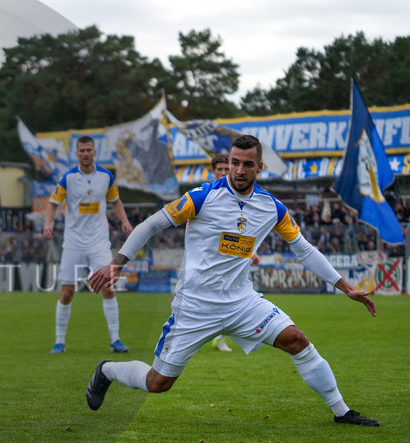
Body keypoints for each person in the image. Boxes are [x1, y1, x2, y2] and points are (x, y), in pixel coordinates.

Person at [85, 135, 380, 427]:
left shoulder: (272, 208)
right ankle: (107, 370)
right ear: (228, 162)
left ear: (259, 167)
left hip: (242, 303)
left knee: (297, 340)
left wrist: (347, 288)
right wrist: (117, 263)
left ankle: (342, 412)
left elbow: (304, 249)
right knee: (158, 383)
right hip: (195, 308)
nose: (239, 170)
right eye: (234, 163)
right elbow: (152, 224)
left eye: (247, 164)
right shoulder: (202, 197)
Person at [43, 135, 133, 355]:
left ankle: (116, 340)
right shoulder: (68, 178)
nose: (85, 153)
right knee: (67, 292)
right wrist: (48, 224)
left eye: (89, 150)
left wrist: (125, 221)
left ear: (94, 152)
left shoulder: (105, 176)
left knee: (108, 287)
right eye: (81, 150)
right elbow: (53, 204)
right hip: (73, 242)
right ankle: (59, 342)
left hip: (98, 242)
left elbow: (116, 202)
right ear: (77, 153)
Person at [208, 153, 235, 352]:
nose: (224, 173)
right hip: (207, 258)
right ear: (213, 171)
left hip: (229, 257)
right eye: (220, 169)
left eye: (227, 169)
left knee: (230, 298)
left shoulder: (236, 196)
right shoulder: (205, 195)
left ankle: (219, 338)